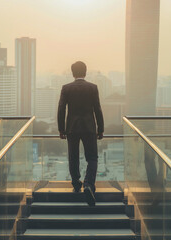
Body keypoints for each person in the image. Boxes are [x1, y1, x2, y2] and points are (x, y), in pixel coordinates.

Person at [57, 61, 104, 206]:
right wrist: (100, 128)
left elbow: (61, 110)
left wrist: (61, 129)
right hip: (89, 127)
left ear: (72, 73)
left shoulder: (66, 88)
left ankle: (76, 183)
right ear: (86, 72)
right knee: (92, 158)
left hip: (72, 128)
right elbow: (97, 109)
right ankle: (89, 184)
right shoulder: (92, 88)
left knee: (73, 156)